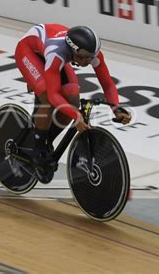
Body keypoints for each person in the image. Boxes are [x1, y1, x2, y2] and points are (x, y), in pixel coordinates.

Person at [15, 24, 131, 183]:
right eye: (84, 56)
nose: (89, 60)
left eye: (91, 56)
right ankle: (38, 147)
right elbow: (53, 94)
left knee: (73, 100)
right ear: (74, 50)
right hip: (28, 51)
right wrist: (76, 117)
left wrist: (116, 108)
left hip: (52, 50)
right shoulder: (56, 53)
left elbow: (108, 84)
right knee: (47, 98)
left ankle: (47, 140)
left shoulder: (91, 54)